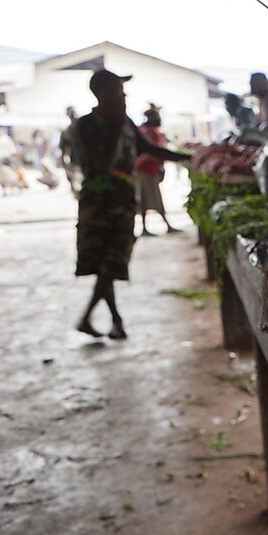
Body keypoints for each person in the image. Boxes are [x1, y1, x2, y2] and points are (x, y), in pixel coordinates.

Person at [74, 70, 191, 340]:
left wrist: (185, 157)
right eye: (118, 89)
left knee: (112, 263)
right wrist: (116, 127)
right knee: (106, 264)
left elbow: (150, 149)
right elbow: (101, 164)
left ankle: (109, 320)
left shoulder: (125, 122)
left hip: (125, 202)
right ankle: (108, 319)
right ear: (102, 92)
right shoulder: (87, 125)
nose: (123, 95)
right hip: (98, 204)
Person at [135, 105, 180, 235]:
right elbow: (150, 152)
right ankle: (159, 226)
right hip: (145, 169)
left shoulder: (151, 131)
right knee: (149, 198)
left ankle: (162, 226)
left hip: (150, 170)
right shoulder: (147, 132)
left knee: (150, 198)